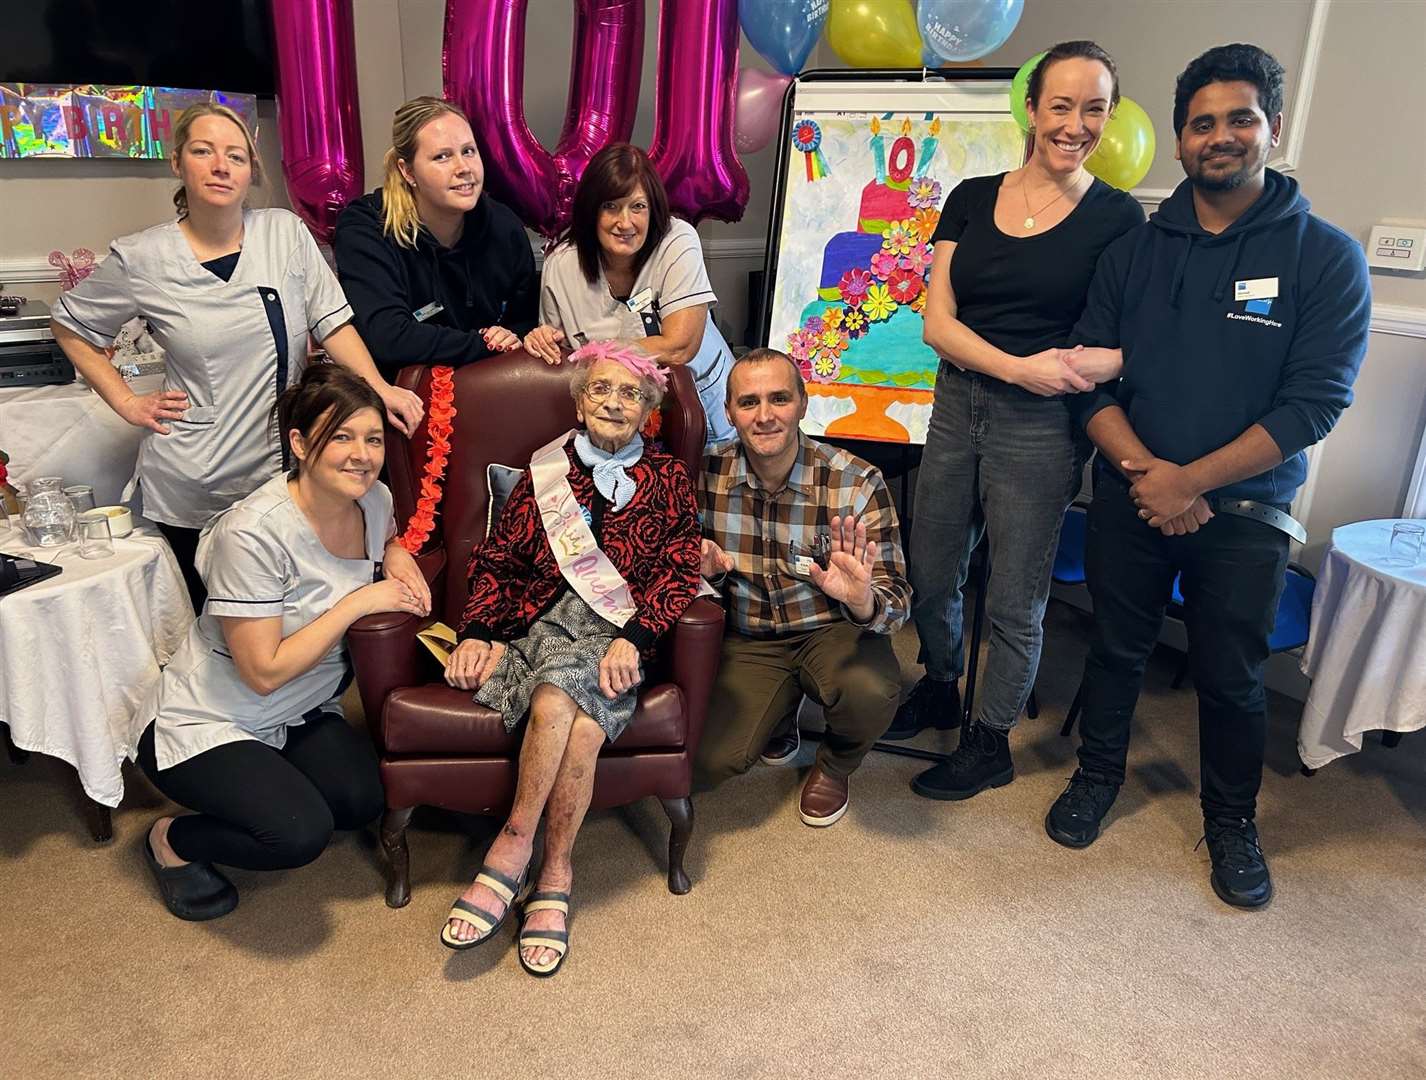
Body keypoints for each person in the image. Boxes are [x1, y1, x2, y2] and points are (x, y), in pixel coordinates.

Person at [1044, 44, 1370, 909]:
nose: (1220, 137)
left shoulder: (1325, 257)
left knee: (1231, 677)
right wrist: (1150, 474)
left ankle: (1231, 821)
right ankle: (1097, 776)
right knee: (1115, 650)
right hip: (1130, 492)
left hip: (1246, 513)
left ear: (1270, 130)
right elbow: (1092, 381)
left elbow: (1314, 405)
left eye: (1240, 119)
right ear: (1180, 141)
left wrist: (1194, 483)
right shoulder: (1135, 253)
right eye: (1202, 123)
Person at [893, 41, 1146, 805]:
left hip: (1040, 429)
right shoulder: (970, 195)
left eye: (1094, 107)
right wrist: (1018, 366)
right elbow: (939, 323)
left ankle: (989, 739)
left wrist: (1093, 365)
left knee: (1014, 596)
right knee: (931, 573)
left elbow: (1130, 339)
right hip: (957, 404)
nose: (1076, 124)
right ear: (1031, 110)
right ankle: (941, 682)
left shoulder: (1117, 217)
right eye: (1061, 106)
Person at [51, 103, 423, 613]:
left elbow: (332, 322)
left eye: (236, 155)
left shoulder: (285, 234)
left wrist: (380, 388)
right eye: (203, 152)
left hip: (285, 471)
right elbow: (70, 325)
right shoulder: (142, 259)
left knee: (294, 614)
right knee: (220, 628)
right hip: (197, 480)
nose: (221, 166)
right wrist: (126, 402)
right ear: (178, 163)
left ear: (251, 170)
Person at [440, 340, 701, 976]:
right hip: (536, 628)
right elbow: (498, 560)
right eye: (601, 389)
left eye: (630, 394)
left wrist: (636, 638)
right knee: (577, 717)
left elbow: (680, 566)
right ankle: (552, 870)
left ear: (648, 410)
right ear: (580, 400)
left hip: (618, 640)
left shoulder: (667, 480)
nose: (614, 402)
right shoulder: (543, 475)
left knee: (566, 701)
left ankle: (514, 848)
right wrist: (476, 630)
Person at [135, 365, 433, 921]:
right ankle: (171, 841)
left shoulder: (375, 501)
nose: (362, 454)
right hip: (212, 716)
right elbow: (263, 672)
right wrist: (358, 603)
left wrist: (394, 553)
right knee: (297, 836)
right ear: (299, 443)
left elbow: (385, 537)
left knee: (362, 801)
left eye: (372, 439)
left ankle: (271, 779)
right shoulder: (251, 534)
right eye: (340, 436)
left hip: (303, 708)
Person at [694, 348, 911, 827]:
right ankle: (781, 709)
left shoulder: (855, 481)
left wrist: (860, 600)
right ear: (728, 412)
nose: (765, 415)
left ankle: (835, 764)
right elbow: (677, 578)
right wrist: (705, 573)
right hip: (747, 636)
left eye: (779, 399)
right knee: (708, 764)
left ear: (804, 403)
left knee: (870, 692)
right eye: (748, 402)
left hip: (829, 630)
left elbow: (897, 601)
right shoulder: (702, 474)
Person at [523, 142, 735, 446]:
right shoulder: (561, 264)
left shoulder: (677, 240)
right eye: (610, 206)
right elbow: (565, 362)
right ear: (591, 210)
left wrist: (596, 352)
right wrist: (540, 340)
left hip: (705, 405)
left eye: (638, 206)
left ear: (653, 208)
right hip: (620, 420)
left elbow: (679, 347)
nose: (625, 223)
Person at [333, 96, 539, 384]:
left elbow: (526, 321)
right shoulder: (367, 227)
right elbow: (389, 337)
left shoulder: (504, 226)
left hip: (488, 389)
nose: (463, 167)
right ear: (408, 171)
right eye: (442, 156)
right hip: (401, 398)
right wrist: (485, 343)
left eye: (469, 151)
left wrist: (510, 336)